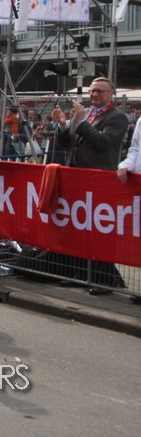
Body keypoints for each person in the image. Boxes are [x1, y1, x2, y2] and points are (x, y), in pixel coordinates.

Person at [51, 77, 129, 292]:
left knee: (100, 230)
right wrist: (63, 124)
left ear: (110, 94)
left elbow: (103, 142)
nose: (94, 94)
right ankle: (79, 272)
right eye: (92, 90)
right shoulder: (85, 114)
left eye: (99, 91)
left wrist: (81, 122)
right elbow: (67, 142)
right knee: (79, 228)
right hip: (77, 178)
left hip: (98, 180)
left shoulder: (117, 117)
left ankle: (103, 279)